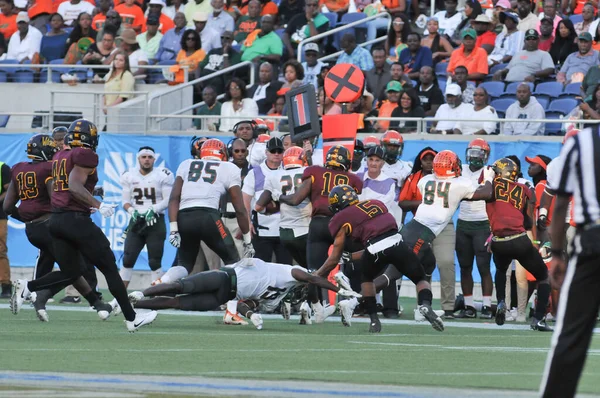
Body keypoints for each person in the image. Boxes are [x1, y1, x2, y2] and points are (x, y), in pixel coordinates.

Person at [11, 120, 157, 332]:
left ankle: (28, 286)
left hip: (57, 220)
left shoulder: (60, 155)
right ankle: (131, 318)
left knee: (72, 270)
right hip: (75, 220)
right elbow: (74, 185)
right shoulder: (84, 155)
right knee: (108, 265)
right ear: (90, 138)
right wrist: (99, 204)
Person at [316, 184, 443, 333]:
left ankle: (374, 321)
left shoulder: (340, 218)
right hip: (397, 242)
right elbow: (383, 232)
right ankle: (425, 304)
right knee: (420, 278)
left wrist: (318, 274)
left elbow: (335, 257)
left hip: (373, 250)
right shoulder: (376, 203)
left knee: (367, 281)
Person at [538, 126, 600, 397]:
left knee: (571, 332)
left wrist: (559, 254)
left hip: (591, 237)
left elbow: (560, 203)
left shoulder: (583, 142)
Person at [130, 257, 359, 329]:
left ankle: (134, 306)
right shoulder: (292, 273)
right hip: (226, 276)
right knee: (179, 286)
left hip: (225, 296)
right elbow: (311, 278)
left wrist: (251, 316)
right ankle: (142, 294)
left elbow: (243, 304)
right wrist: (338, 289)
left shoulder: (279, 296)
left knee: (177, 303)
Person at [279, 146, 363, 324]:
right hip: (341, 224)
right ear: (345, 162)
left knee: (313, 271)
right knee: (356, 260)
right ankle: (350, 300)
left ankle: (312, 307)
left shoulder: (314, 172)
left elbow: (295, 199)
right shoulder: (352, 179)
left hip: (318, 224)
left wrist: (280, 197)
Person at [164, 138, 253, 287]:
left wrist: (173, 229)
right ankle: (232, 302)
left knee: (184, 264)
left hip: (184, 217)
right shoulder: (229, 168)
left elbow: (174, 198)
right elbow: (240, 209)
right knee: (233, 260)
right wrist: (248, 240)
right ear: (223, 153)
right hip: (209, 217)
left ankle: (162, 282)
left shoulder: (186, 164)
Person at [485, 158, 552, 331]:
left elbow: (481, 193)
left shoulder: (490, 185)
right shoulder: (523, 188)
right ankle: (538, 319)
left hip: (498, 240)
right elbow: (529, 221)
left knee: (501, 270)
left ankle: (501, 301)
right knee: (544, 276)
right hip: (518, 239)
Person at [119, 147, 174, 289]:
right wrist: (131, 211)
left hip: (155, 221)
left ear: (154, 159)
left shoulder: (163, 174)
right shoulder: (129, 175)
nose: (147, 160)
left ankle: (156, 294)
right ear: (139, 159)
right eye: (144, 157)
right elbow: (125, 201)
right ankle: (119, 296)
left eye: (150, 157)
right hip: (136, 221)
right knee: (128, 259)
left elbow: (169, 199)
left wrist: (153, 209)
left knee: (155, 261)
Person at [454, 139, 493, 319]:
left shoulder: (489, 171)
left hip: (482, 223)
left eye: (479, 154)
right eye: (473, 154)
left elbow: (489, 194)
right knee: (465, 267)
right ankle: (469, 306)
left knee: (483, 266)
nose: (475, 158)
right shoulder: (459, 170)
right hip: (463, 223)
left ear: (485, 156)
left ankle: (485, 305)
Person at [255, 146, 311, 269]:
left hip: (285, 233)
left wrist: (277, 206)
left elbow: (259, 206)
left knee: (298, 270)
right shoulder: (309, 172)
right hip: (306, 230)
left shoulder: (274, 176)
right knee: (312, 269)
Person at [242, 137, 292, 266]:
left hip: (284, 228)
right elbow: (245, 200)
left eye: (279, 151)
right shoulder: (255, 172)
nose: (276, 154)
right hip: (262, 229)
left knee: (285, 266)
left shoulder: (288, 170)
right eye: (273, 151)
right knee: (261, 267)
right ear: (266, 152)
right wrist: (247, 223)